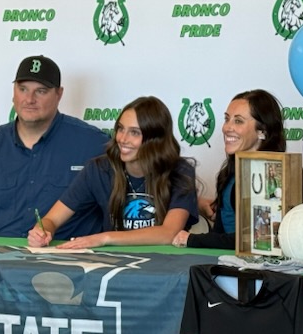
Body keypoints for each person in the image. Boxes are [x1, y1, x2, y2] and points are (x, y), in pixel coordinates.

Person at [0, 55, 108, 239]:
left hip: (69, 260)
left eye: (41, 91)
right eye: (23, 89)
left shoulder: (94, 145)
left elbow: (118, 211)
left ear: (59, 94)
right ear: (14, 91)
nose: (29, 99)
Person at [27, 96, 198, 249]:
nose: (122, 139)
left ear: (156, 140)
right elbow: (52, 219)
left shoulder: (180, 170)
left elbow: (169, 233)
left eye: (134, 133)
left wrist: (104, 238)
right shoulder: (99, 169)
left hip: (165, 267)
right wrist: (41, 231)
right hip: (114, 266)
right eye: (121, 129)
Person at [172, 89, 285, 250]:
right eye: (227, 119)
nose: (227, 128)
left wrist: (193, 239)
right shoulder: (230, 171)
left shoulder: (274, 173)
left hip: (259, 270)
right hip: (227, 264)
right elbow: (221, 232)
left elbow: (260, 240)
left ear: (262, 131)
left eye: (238, 121)